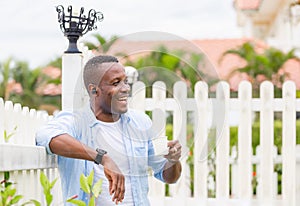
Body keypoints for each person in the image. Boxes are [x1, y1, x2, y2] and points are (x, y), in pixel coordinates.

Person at [36, 55, 182, 206]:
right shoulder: (76, 121)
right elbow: (46, 136)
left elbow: (169, 177)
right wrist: (102, 158)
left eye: (125, 81)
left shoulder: (142, 122)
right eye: (116, 83)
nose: (125, 88)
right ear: (94, 90)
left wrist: (173, 160)